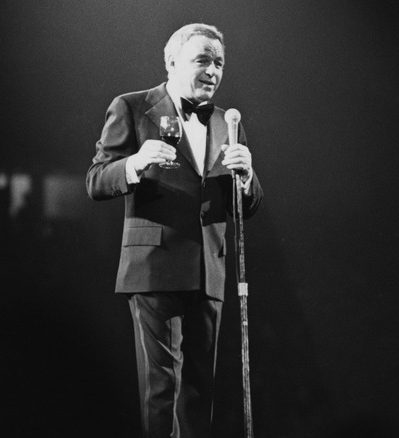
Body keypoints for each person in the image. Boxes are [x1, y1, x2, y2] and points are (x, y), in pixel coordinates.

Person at [85, 23, 263, 438]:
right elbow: (95, 180)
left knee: (200, 393)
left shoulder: (226, 122)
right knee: (162, 388)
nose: (213, 71)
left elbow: (248, 206)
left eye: (219, 63)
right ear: (171, 62)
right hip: (155, 265)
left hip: (210, 271)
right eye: (203, 60)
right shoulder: (132, 107)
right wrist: (134, 163)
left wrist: (246, 175)